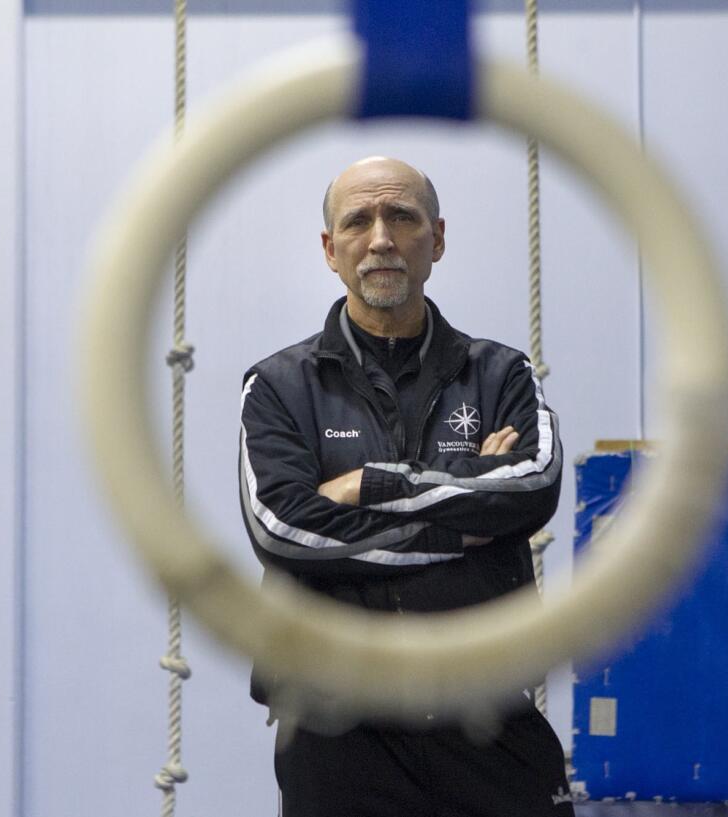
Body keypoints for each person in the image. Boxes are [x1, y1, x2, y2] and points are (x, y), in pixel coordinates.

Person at [238, 156, 575, 817]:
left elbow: (532, 487)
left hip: (487, 719)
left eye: (402, 217)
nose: (382, 238)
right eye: (358, 221)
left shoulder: (501, 373)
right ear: (331, 250)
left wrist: (362, 485)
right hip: (338, 731)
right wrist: (467, 504)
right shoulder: (278, 387)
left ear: (437, 239)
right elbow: (283, 530)